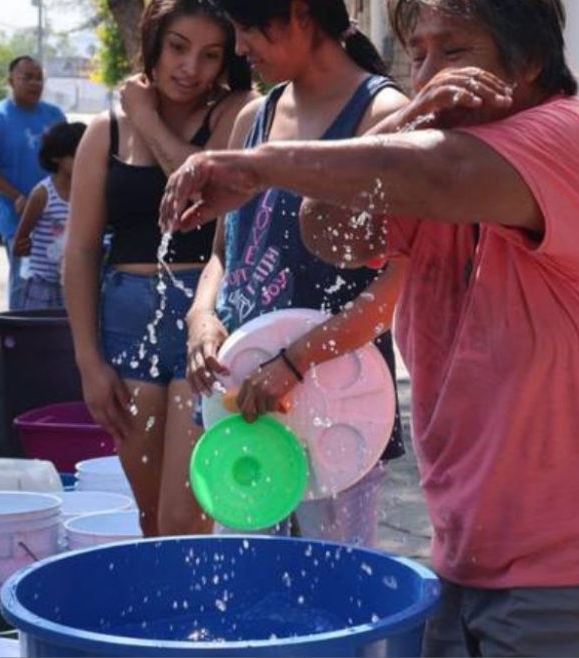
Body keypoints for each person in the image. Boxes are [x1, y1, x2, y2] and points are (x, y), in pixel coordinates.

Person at [160, 1, 579, 655]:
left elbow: (443, 174)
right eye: (419, 56)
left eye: (454, 53)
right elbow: (328, 231)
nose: (431, 75)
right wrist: (405, 117)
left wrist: (255, 168)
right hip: (480, 546)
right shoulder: (431, 164)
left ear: (529, 61)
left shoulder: (574, 135)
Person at [185, 0, 410, 545]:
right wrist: (202, 315)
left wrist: (294, 362)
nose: (240, 50)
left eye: (248, 31)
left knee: (331, 602)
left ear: (300, 13)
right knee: (240, 588)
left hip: (336, 408)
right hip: (241, 401)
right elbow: (224, 251)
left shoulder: (381, 116)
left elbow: (397, 285)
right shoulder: (252, 117)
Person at [64, 0, 255, 538]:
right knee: (150, 517)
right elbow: (79, 251)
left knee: (186, 515)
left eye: (210, 55)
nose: (190, 67)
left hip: (206, 316)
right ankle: (165, 623)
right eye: (178, 47)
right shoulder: (103, 131)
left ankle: (197, 619)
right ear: (153, 41)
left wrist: (143, 117)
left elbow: (196, 190)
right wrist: (87, 361)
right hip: (125, 319)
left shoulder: (238, 112)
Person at [0, 56, 65, 310]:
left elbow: (71, 159)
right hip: (19, 218)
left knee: (61, 282)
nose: (35, 83)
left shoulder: (55, 115)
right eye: (27, 78)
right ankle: (19, 339)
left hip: (58, 217)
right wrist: (18, 197)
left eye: (39, 78)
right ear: (10, 80)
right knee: (25, 283)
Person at [12, 121, 86, 310]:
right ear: (56, 157)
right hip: (42, 284)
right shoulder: (43, 193)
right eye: (75, 155)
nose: (83, 160)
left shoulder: (88, 192)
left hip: (74, 284)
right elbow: (20, 242)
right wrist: (25, 247)